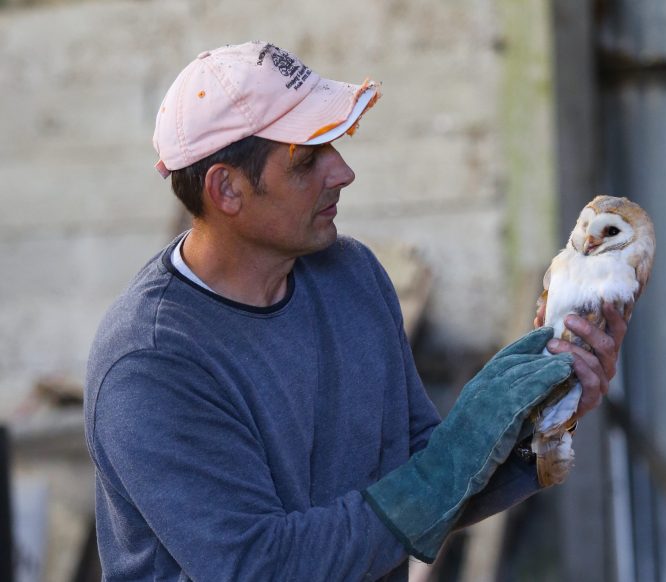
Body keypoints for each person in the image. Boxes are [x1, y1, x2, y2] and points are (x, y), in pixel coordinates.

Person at [84, 41, 626, 581]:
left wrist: (538, 421)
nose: (342, 172)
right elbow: (258, 566)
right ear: (226, 188)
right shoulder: (151, 362)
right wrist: (452, 458)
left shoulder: (350, 276)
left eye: (334, 146)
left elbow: (417, 481)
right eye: (307, 159)